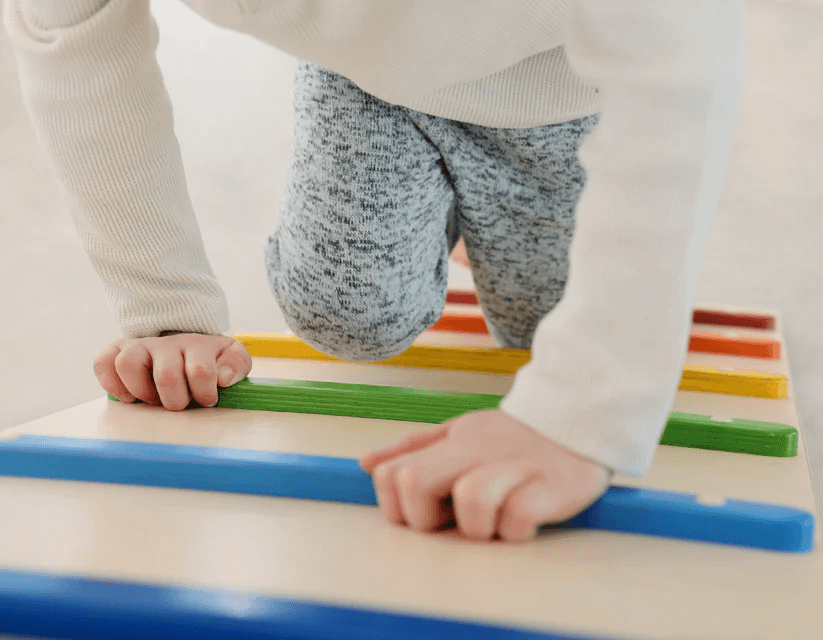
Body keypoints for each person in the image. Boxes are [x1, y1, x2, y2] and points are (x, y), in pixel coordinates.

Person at [4, 0, 745, 541]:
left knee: (541, 324)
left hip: (562, 88)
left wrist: (584, 412)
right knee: (345, 314)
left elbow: (680, 48)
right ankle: (441, 206)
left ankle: (467, 218)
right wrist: (164, 309)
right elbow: (70, 41)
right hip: (366, 83)